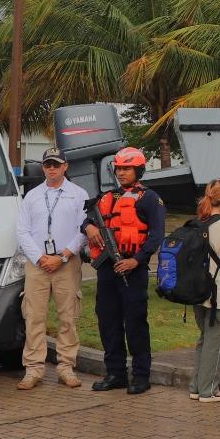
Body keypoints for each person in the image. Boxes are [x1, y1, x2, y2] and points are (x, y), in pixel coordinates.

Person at [84, 147, 165, 394]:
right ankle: (115, 373)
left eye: (126, 168)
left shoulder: (150, 199)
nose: (121, 172)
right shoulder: (107, 197)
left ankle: (141, 376)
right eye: (118, 168)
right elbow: (87, 219)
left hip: (132, 269)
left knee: (135, 324)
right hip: (107, 270)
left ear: (138, 170)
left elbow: (156, 236)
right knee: (108, 322)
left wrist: (137, 261)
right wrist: (89, 227)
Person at [14, 147, 89, 390]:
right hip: (38, 265)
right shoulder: (32, 196)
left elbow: (84, 231)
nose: (52, 168)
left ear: (65, 166)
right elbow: (22, 231)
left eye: (57, 164)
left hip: (66, 263)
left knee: (68, 317)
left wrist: (63, 256)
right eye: (48, 165)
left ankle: (66, 367)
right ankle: (34, 368)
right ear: (43, 167)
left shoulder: (78, 194)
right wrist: (39, 257)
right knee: (34, 317)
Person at [189, 180, 220, 403]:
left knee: (203, 338)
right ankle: (209, 389)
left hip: (196, 290)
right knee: (216, 341)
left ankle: (196, 386)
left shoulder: (198, 221)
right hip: (218, 292)